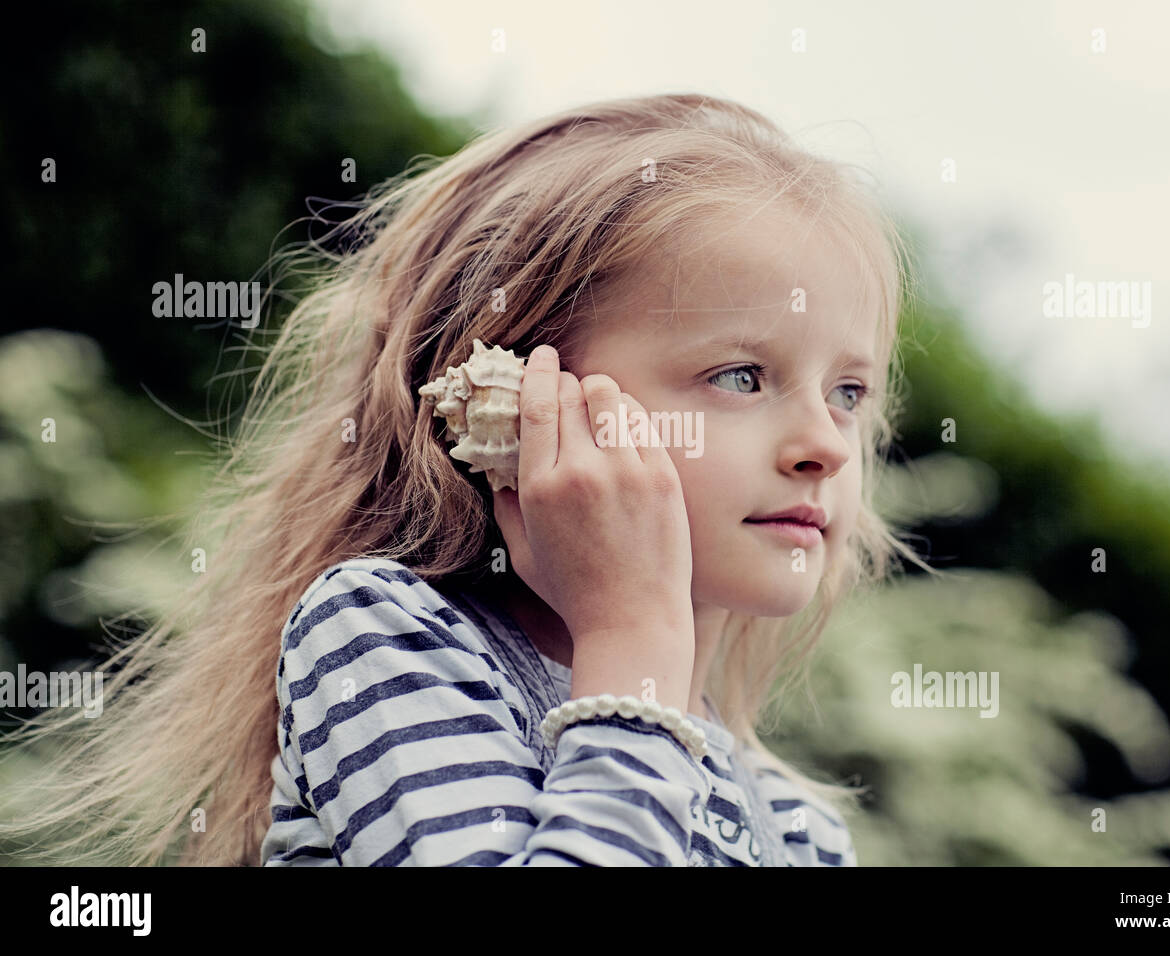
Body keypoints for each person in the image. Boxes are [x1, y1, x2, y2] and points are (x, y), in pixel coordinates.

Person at [0, 92, 929, 866]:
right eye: (741, 376)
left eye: (849, 392)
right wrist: (635, 641)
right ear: (519, 397)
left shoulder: (804, 834)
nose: (828, 444)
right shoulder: (381, 639)